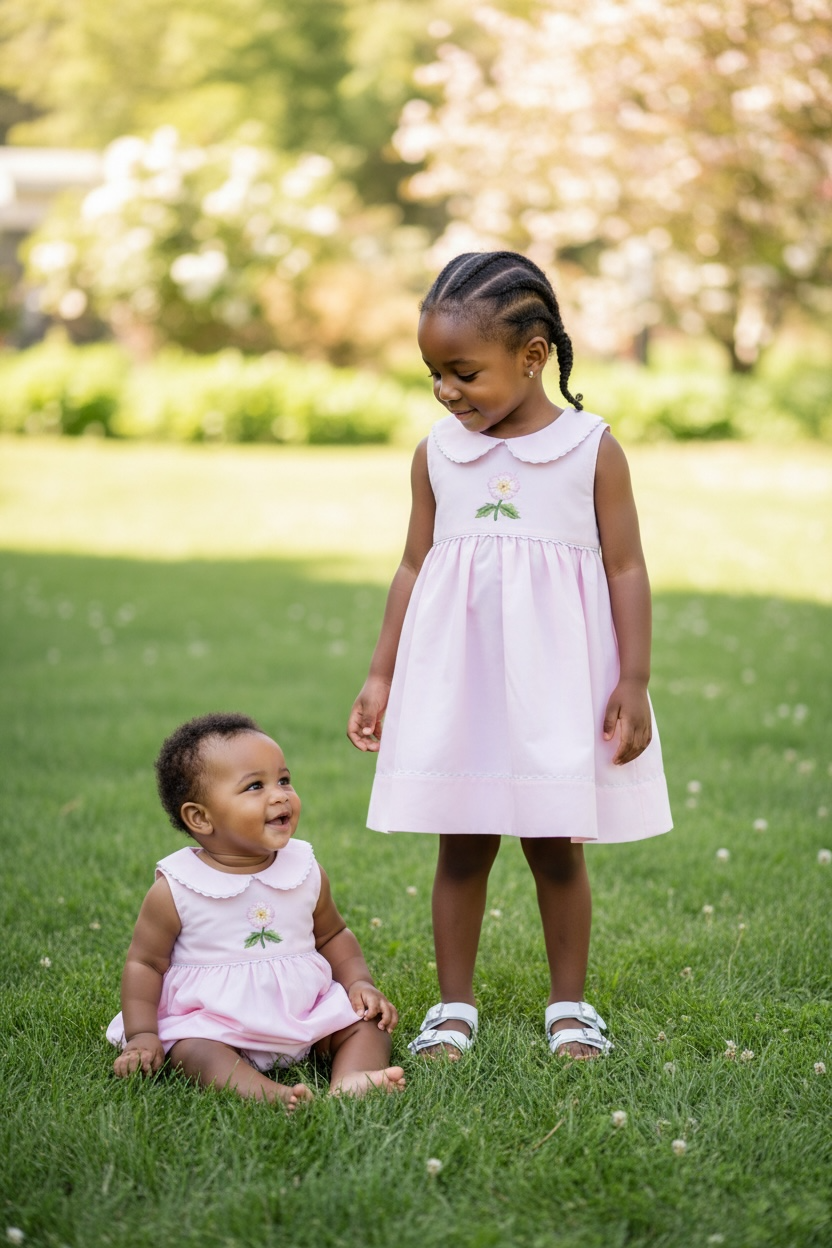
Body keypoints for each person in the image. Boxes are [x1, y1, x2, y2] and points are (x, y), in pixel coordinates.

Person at [347, 250, 672, 1061]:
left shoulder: (591, 449)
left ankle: (570, 1007)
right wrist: (383, 673)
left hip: (554, 687)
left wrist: (633, 680)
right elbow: (415, 566)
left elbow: (625, 566)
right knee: (460, 843)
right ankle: (453, 1007)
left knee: (556, 847)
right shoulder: (436, 454)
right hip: (460, 686)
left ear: (532, 358)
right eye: (435, 374)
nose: (448, 391)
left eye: (464, 372)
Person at [108, 712, 405, 1107]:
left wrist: (358, 983)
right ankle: (264, 1093)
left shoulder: (304, 869)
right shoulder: (177, 888)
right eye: (255, 786)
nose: (280, 794)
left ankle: (350, 1077)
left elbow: (333, 934)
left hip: (304, 1011)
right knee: (192, 1051)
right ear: (200, 817)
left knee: (370, 1026)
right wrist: (143, 1033)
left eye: (283, 780)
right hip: (216, 1022)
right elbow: (145, 964)